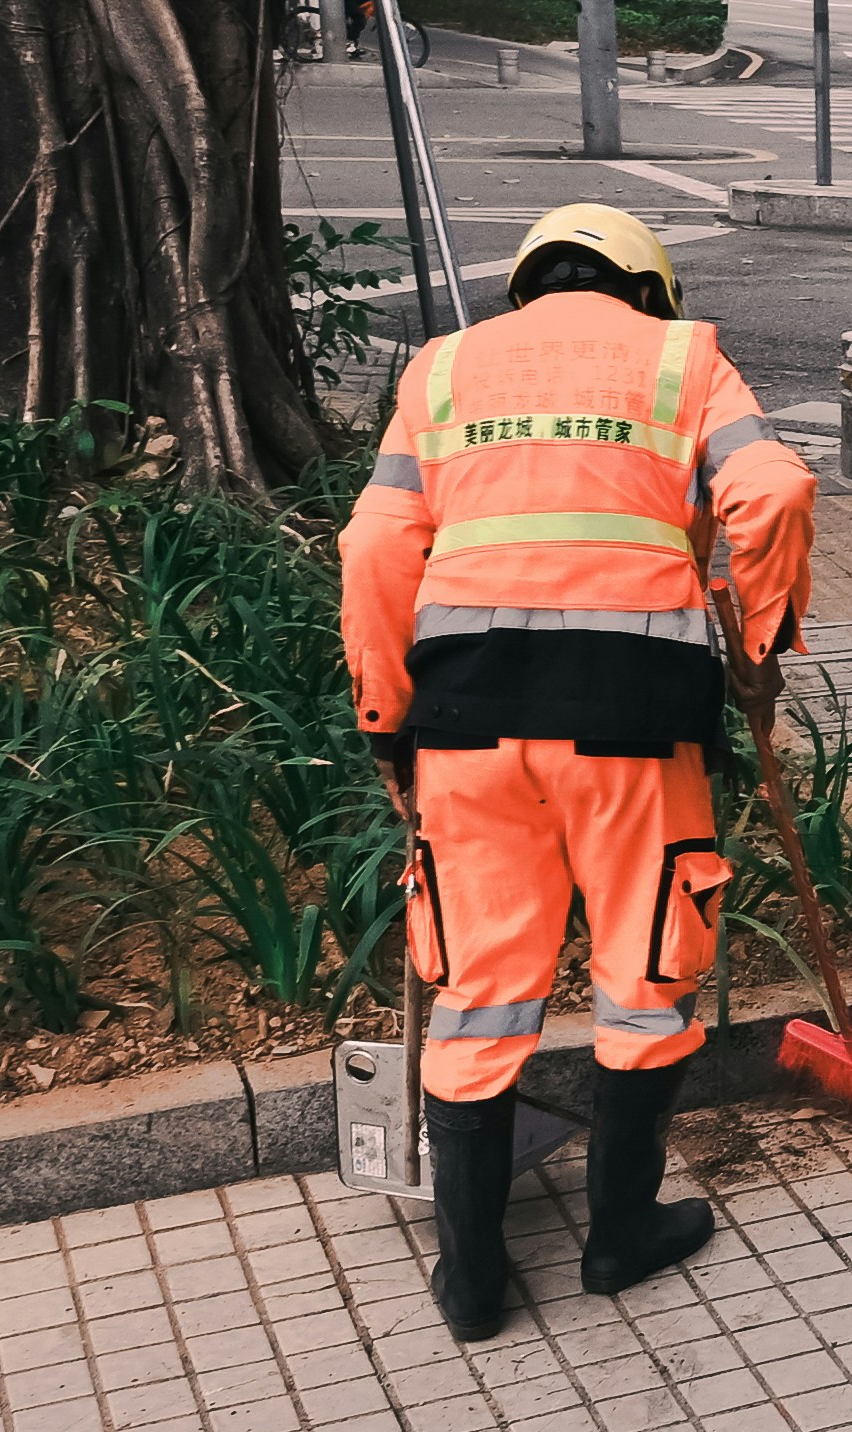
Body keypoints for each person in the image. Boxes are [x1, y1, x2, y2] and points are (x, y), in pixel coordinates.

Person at [338, 203, 818, 1342]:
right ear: (645, 287)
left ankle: (470, 1280)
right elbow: (777, 493)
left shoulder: (444, 366)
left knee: (477, 990)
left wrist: (384, 720)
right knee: (645, 972)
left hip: (467, 722)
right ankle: (616, 1240)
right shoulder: (681, 358)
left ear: (524, 285)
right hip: (634, 723)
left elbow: (371, 546)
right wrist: (757, 648)